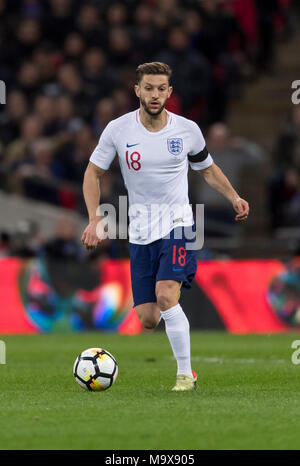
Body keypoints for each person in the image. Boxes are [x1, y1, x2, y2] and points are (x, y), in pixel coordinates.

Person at [81, 62, 249, 391]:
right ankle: (174, 330)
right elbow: (92, 173)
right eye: (149, 88)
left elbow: (207, 169)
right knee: (148, 318)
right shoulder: (118, 130)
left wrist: (234, 197)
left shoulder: (186, 130)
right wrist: (94, 218)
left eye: (161, 89)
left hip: (180, 224)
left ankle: (185, 375)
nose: (155, 94)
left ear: (169, 92)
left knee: (166, 295)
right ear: (137, 91)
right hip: (140, 231)